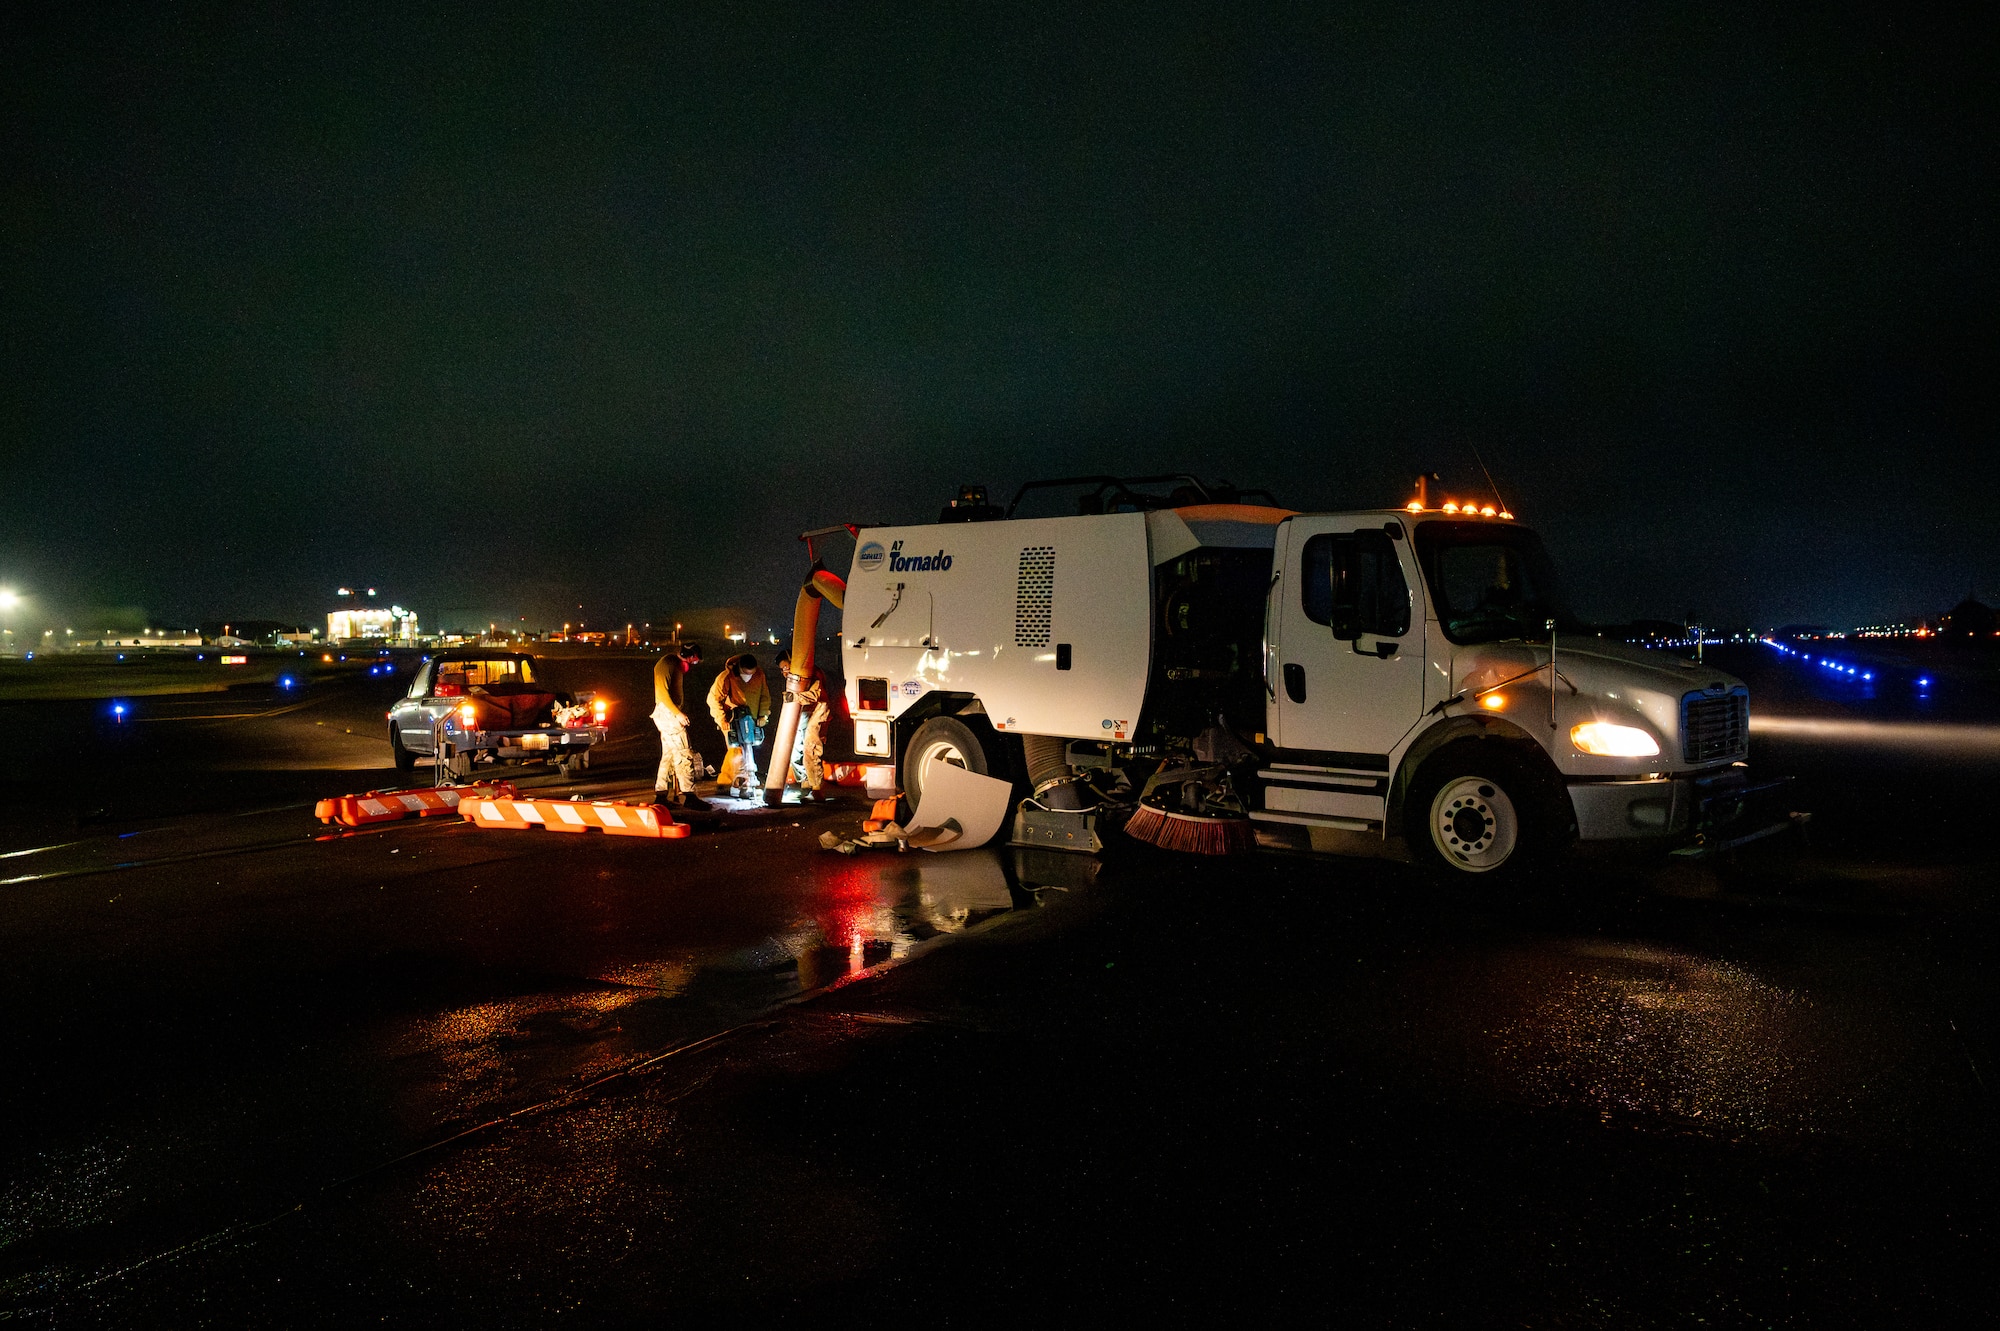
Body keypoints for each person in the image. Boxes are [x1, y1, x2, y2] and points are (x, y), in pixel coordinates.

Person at [706, 652, 772, 798]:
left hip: (753, 718)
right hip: (733, 720)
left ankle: (726, 782)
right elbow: (713, 699)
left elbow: (764, 696)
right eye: (745, 673)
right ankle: (739, 783)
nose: (748, 677)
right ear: (739, 668)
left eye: (751, 674)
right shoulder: (726, 676)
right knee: (737, 751)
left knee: (746, 749)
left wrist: (763, 715)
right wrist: (721, 719)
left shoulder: (759, 675)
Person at [651, 641, 706, 809]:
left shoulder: (670, 663)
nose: (694, 663)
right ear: (691, 656)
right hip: (669, 714)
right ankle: (689, 796)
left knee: (668, 756)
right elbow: (662, 693)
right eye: (695, 660)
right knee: (684, 753)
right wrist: (678, 713)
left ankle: (661, 796)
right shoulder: (669, 663)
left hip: (666, 713)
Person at [777, 649, 833, 802]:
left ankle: (816, 789)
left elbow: (816, 695)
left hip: (819, 711)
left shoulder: (812, 673)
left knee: (811, 747)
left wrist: (795, 697)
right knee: (795, 749)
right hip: (806, 712)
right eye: (782, 670)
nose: (784, 672)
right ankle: (805, 784)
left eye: (786, 667)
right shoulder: (797, 677)